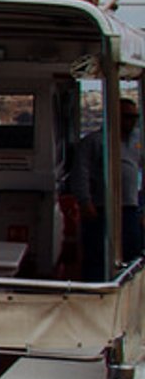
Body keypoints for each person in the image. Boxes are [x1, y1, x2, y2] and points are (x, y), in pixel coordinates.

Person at [69, 97, 142, 278]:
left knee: (133, 253)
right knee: (97, 255)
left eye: (135, 117)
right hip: (100, 209)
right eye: (127, 116)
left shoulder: (137, 141)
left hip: (130, 208)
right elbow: (81, 173)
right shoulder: (94, 142)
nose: (131, 121)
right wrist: (85, 202)